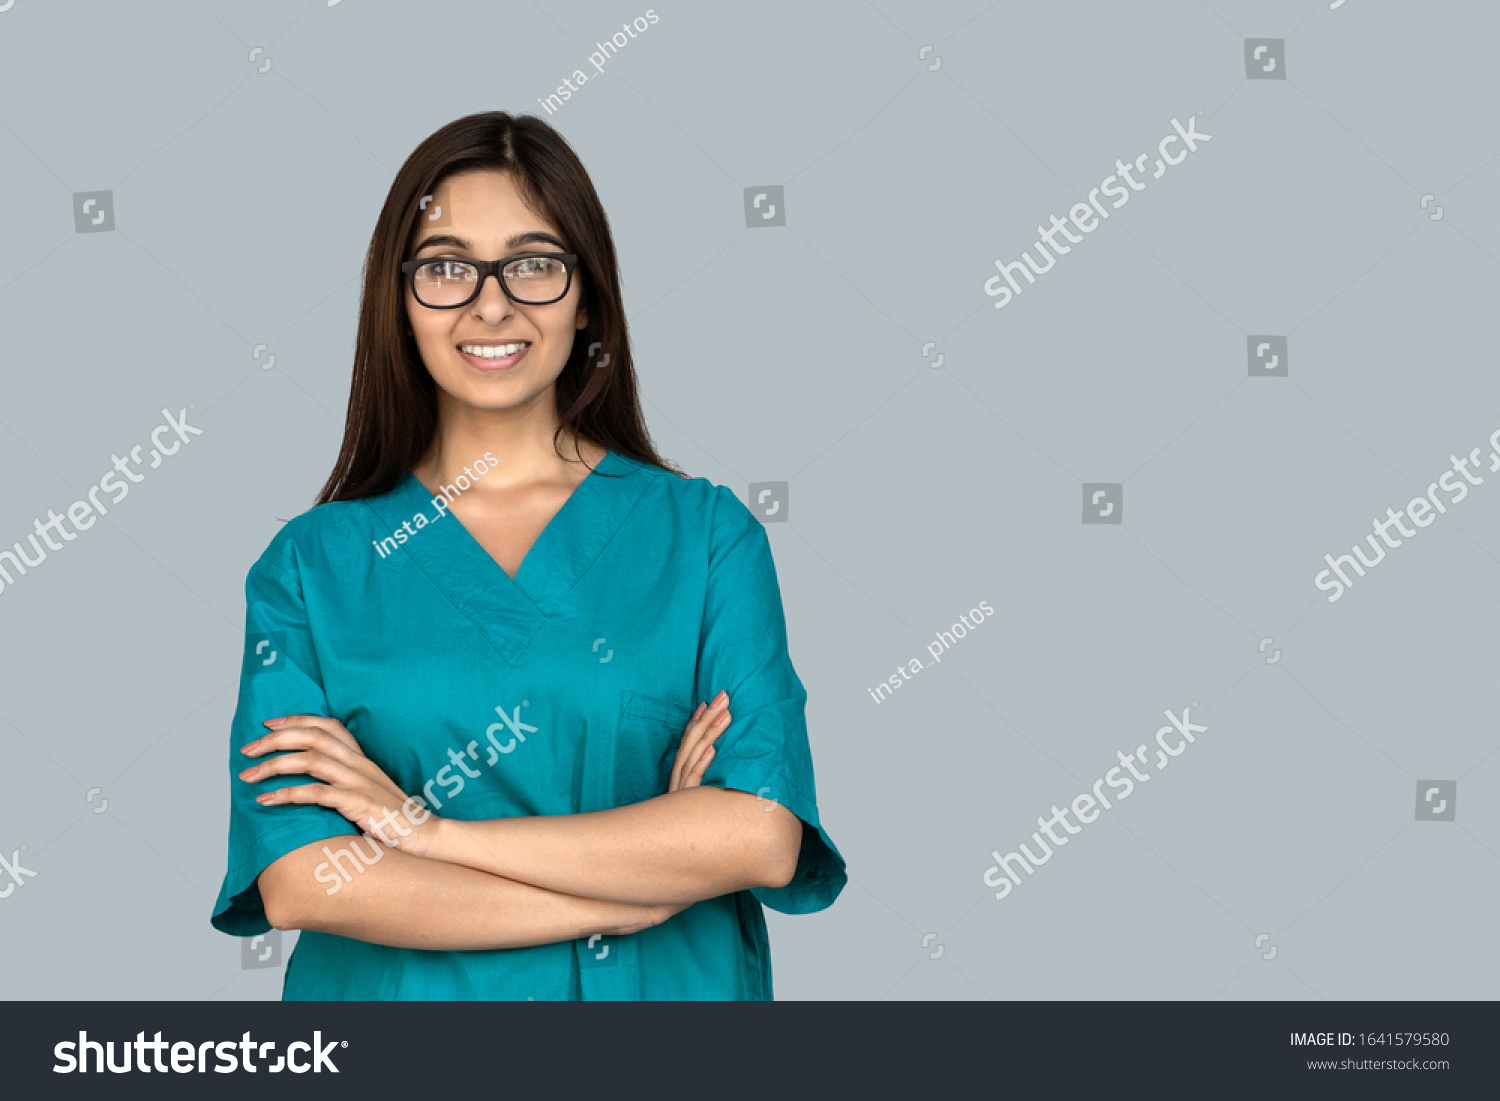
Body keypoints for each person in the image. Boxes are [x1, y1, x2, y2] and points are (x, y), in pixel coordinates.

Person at [209, 111, 846, 1000]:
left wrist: (427, 833)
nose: (491, 303)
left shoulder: (704, 537)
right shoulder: (312, 568)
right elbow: (304, 879)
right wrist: (627, 894)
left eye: (534, 263)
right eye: (446, 267)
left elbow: (760, 837)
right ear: (398, 298)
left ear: (587, 295)